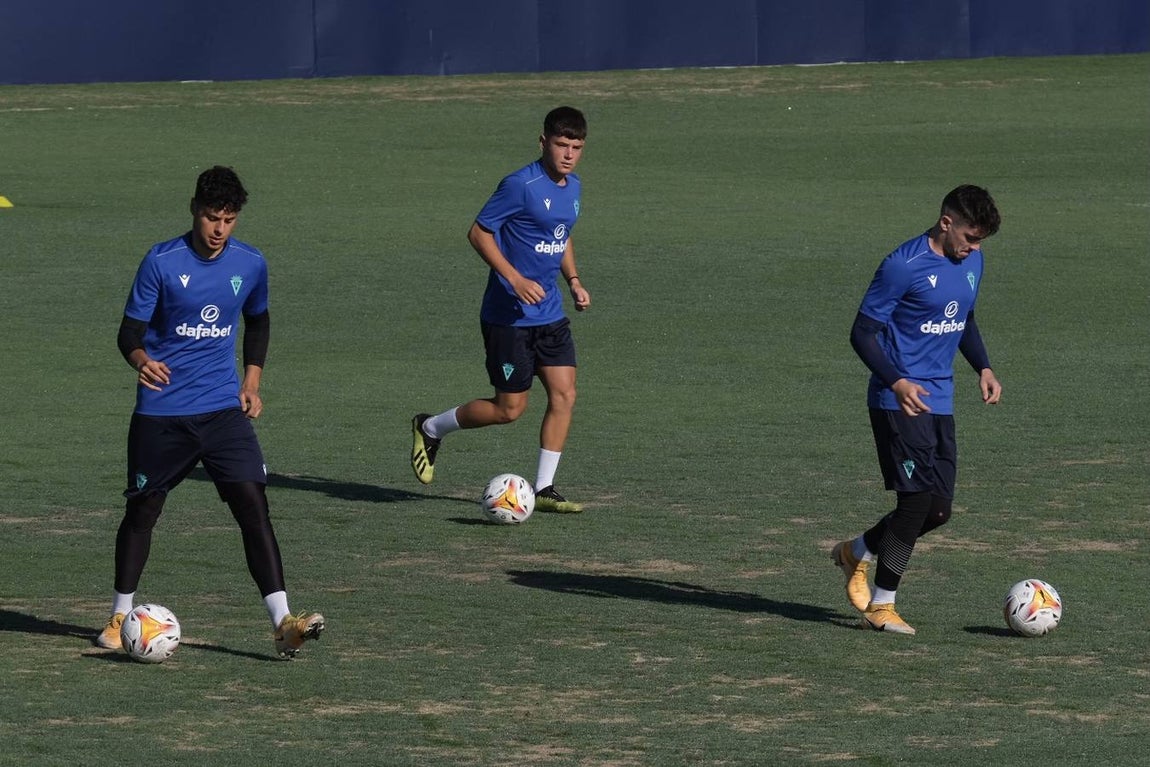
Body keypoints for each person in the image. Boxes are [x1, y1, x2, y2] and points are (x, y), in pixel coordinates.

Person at [95, 166, 325, 659]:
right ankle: (119, 614)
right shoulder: (161, 261)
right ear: (194, 211)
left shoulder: (251, 263)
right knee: (143, 509)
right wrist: (141, 361)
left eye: (229, 219)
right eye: (211, 217)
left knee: (253, 506)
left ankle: (283, 622)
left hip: (223, 411)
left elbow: (258, 321)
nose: (219, 229)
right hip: (163, 413)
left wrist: (252, 381)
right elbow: (127, 334)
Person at [832, 184, 1003, 635]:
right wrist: (897, 380)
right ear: (946, 223)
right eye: (970, 237)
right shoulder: (901, 266)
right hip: (898, 400)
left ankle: (857, 550)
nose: (974, 248)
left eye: (981, 240)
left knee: (938, 510)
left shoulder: (972, 260)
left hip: (940, 398)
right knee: (915, 502)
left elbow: (961, 316)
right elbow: (862, 333)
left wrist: (982, 366)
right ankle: (881, 605)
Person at [411, 106, 592, 513]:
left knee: (565, 394)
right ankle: (430, 427)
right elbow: (478, 232)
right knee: (509, 409)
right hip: (508, 317)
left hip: (550, 314)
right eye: (561, 144)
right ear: (543, 142)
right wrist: (513, 278)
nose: (568, 154)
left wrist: (575, 281)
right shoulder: (520, 185)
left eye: (576, 147)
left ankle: (544, 488)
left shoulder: (574, 187)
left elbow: (560, 237)